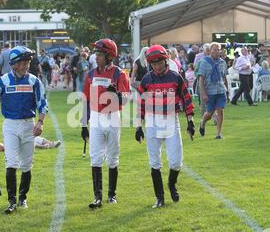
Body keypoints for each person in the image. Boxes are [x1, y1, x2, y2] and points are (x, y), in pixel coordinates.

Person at [0, 46, 48, 214]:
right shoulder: (3, 81)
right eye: (23, 62)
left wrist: (40, 122)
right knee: (11, 162)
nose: (27, 64)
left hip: (28, 124)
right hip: (10, 125)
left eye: (28, 61)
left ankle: (22, 198)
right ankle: (11, 201)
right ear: (14, 64)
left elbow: (42, 103)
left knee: (26, 165)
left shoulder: (34, 81)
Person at [135, 45, 195, 208]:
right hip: (152, 121)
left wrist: (190, 121)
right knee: (154, 162)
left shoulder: (176, 77)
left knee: (176, 162)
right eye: (153, 63)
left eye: (159, 62)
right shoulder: (147, 79)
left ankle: (171, 184)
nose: (156, 65)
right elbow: (141, 102)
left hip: (171, 120)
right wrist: (138, 125)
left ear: (165, 60)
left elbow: (186, 99)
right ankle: (159, 198)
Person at [80, 39, 130, 209]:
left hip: (112, 117)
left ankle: (112, 195)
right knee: (95, 157)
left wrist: (117, 94)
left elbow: (126, 99)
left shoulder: (119, 74)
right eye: (96, 54)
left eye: (100, 55)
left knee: (112, 157)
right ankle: (97, 197)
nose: (96, 57)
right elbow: (85, 99)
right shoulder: (91, 74)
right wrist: (83, 125)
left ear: (110, 56)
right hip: (95, 117)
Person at [198, 43, 228, 139]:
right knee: (209, 114)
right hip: (210, 91)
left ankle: (218, 134)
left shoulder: (222, 63)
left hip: (220, 90)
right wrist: (204, 94)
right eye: (214, 49)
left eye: (218, 49)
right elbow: (201, 79)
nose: (216, 51)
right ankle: (202, 122)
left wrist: (226, 89)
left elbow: (224, 77)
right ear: (210, 50)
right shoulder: (204, 62)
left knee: (220, 111)